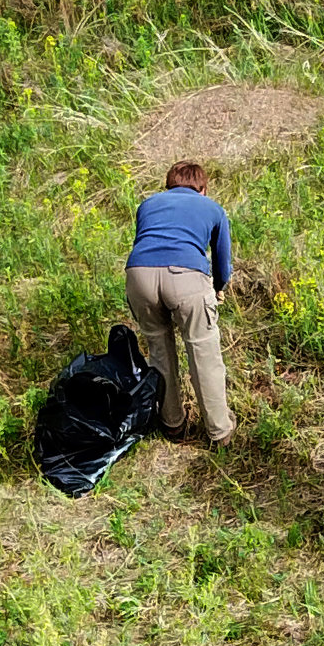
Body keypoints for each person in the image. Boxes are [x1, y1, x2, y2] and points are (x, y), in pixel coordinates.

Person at [126, 161, 236, 446]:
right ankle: (219, 431)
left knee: (159, 350)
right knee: (203, 353)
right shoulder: (212, 208)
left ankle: (172, 424)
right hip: (186, 277)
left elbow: (146, 242)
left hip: (139, 276)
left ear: (168, 187)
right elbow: (222, 262)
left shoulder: (147, 205)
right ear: (203, 189)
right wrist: (219, 288)